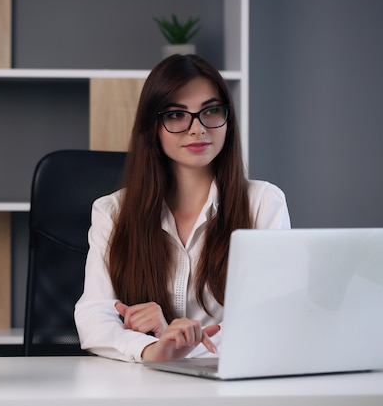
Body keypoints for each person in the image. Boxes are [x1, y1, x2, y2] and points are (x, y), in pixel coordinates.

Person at [74, 54, 290, 363]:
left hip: (230, 387)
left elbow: (271, 317)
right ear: (153, 126)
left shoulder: (263, 203)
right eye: (176, 115)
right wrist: (152, 349)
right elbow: (94, 314)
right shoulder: (112, 211)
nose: (197, 128)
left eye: (211, 111)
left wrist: (175, 344)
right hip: (141, 388)